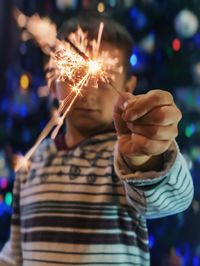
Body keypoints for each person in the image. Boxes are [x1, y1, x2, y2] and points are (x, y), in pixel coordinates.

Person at [0, 14, 194, 266]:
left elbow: (174, 198)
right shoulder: (32, 162)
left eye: (103, 80)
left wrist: (145, 156)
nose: (87, 93)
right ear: (53, 80)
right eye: (73, 75)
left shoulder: (125, 157)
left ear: (129, 85)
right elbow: (15, 252)